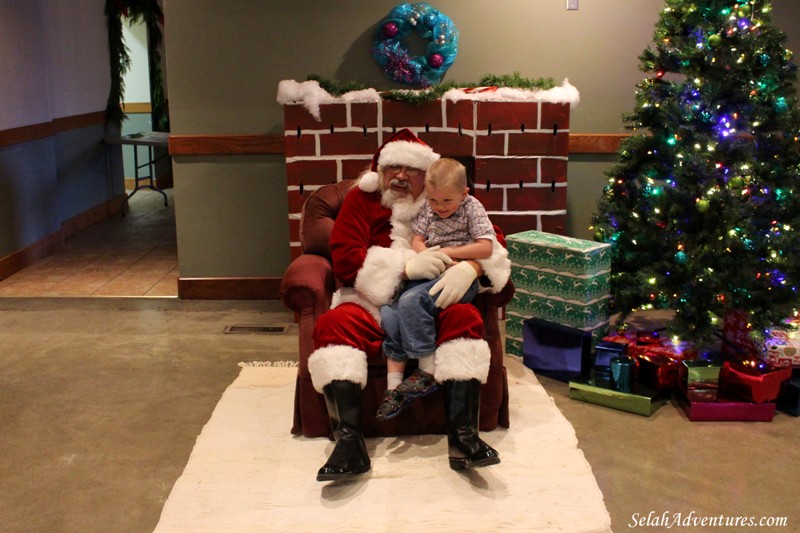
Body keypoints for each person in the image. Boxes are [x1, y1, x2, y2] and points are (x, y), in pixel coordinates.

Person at [308, 128, 511, 482]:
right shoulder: (360, 200)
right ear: (379, 172)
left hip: (431, 295)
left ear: (427, 175)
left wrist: (471, 268)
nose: (400, 176)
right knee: (333, 326)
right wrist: (402, 267)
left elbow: (494, 241)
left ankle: (463, 438)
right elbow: (344, 261)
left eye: (411, 170)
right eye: (393, 168)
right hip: (372, 300)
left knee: (463, 315)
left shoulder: (445, 198)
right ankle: (349, 442)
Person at [376, 158, 496, 421]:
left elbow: (486, 247)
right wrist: (423, 255)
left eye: (446, 201)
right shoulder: (429, 210)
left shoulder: (471, 208)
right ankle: (394, 388)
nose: (439, 208)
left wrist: (448, 253)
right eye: (433, 200)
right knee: (389, 312)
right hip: (432, 270)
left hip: (457, 277)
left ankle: (427, 371)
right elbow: (417, 238)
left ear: (464, 194)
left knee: (411, 301)